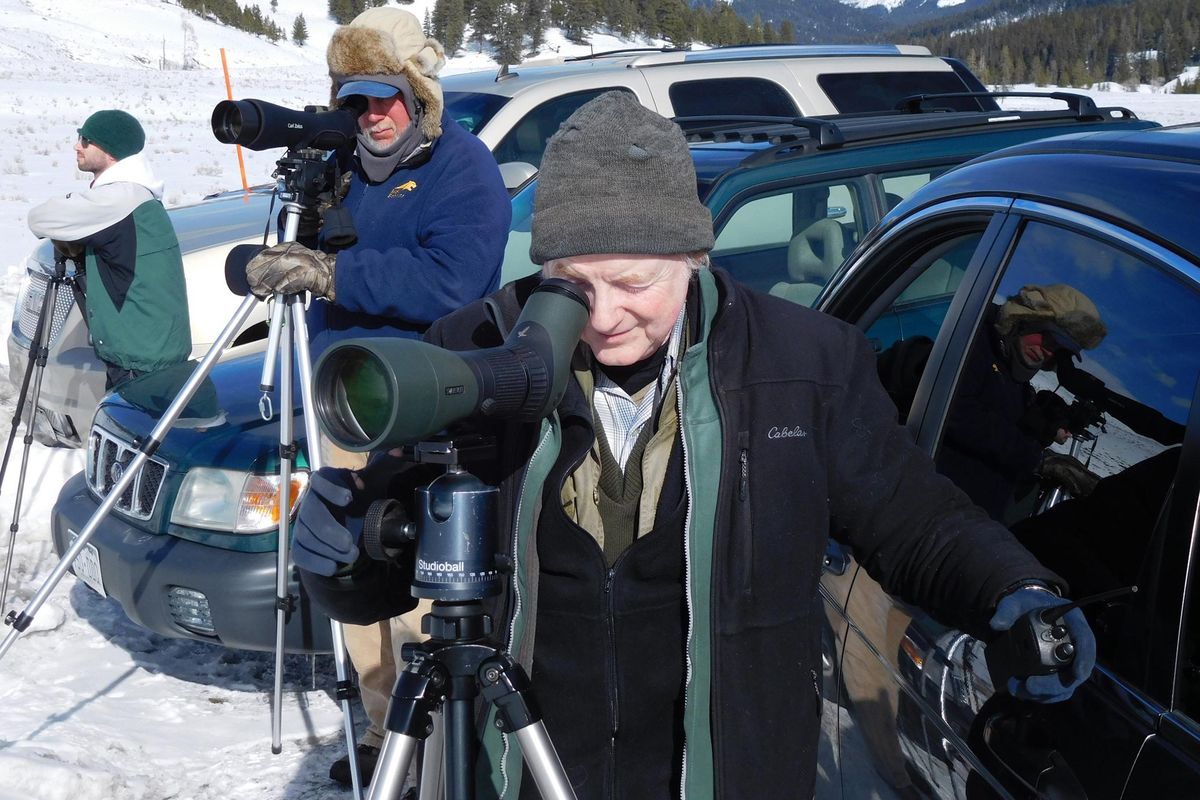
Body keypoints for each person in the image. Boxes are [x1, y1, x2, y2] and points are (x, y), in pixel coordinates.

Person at [292, 92, 1095, 800]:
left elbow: (909, 515)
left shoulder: (802, 363)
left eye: (636, 283)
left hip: (724, 767)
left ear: (692, 255)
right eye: (572, 283)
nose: (603, 316)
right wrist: (347, 554)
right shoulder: (478, 347)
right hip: (524, 764)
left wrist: (1012, 588)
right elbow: (401, 561)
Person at [241, 7, 512, 787]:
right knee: (356, 589)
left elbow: (453, 279)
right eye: (354, 100)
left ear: (418, 94)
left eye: (386, 96)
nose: (372, 115)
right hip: (343, 407)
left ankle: (437, 747)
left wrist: (332, 273)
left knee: (420, 595)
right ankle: (382, 729)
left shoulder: (464, 168)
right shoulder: (342, 167)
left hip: (425, 407)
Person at [27, 109, 191, 390]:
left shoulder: (119, 199)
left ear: (111, 150)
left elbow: (39, 218)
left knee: (134, 430)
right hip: (148, 349)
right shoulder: (138, 195)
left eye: (86, 140)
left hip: (139, 361)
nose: (77, 145)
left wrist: (73, 210)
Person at [936, 284, 1108, 520]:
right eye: (1047, 338)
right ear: (1026, 319)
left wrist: (1049, 427)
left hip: (969, 519)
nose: (1047, 351)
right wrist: (1036, 460)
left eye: (1056, 349)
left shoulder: (1013, 372)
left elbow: (1007, 419)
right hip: (934, 508)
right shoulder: (974, 344)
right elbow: (957, 413)